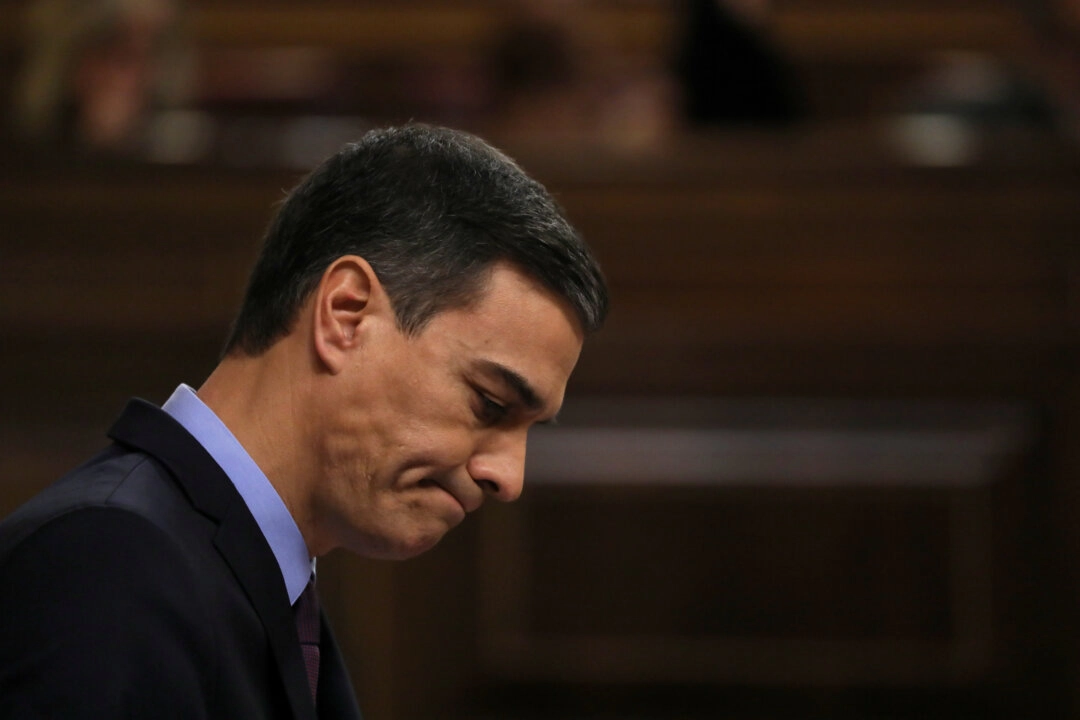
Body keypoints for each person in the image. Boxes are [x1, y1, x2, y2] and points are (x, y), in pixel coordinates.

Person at [0, 124, 608, 718]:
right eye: (489, 403)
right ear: (346, 315)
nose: (508, 476)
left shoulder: (260, 585)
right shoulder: (110, 562)